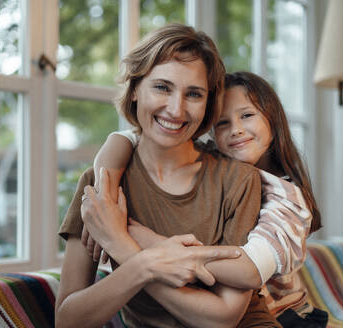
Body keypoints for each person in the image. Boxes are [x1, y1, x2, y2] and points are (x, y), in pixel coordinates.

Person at [56, 24, 280, 328]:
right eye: (162, 87)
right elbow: (68, 321)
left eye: (194, 94)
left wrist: (122, 242)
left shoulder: (238, 181)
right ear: (135, 89)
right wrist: (145, 265)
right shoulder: (101, 187)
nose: (176, 109)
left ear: (208, 103)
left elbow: (222, 319)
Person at [87, 71, 328, 327]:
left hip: (287, 315)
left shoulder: (286, 198)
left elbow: (249, 271)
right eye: (222, 123)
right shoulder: (218, 163)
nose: (235, 130)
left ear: (273, 120)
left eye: (247, 115)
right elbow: (131, 138)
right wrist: (106, 197)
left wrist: (144, 240)